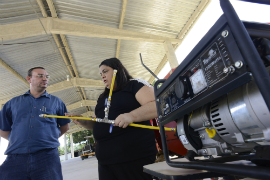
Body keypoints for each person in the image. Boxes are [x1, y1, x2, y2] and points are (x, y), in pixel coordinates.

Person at [66, 58, 158, 180]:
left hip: (134, 157)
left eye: (105, 71)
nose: (102, 76)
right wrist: (82, 120)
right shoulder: (102, 97)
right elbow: (96, 123)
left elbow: (157, 105)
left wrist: (131, 116)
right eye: (101, 74)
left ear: (117, 70)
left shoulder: (134, 85)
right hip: (105, 162)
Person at [0, 67, 70, 180]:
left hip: (47, 157)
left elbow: (65, 126)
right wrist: (20, 140)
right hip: (16, 158)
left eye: (47, 76)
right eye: (40, 75)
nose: (45, 79)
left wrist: (47, 138)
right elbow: (3, 130)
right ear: (29, 79)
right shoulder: (12, 103)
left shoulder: (57, 102)